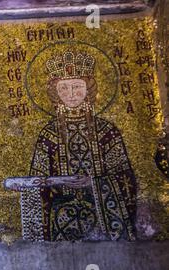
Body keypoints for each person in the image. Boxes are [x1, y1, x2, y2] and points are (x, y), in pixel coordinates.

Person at [28, 50, 137, 241]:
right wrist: (55, 183)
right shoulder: (49, 134)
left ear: (89, 89)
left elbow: (125, 178)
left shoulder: (106, 131)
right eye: (64, 88)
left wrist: (92, 183)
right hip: (60, 217)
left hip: (102, 213)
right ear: (55, 92)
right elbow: (37, 179)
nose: (71, 94)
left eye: (77, 86)